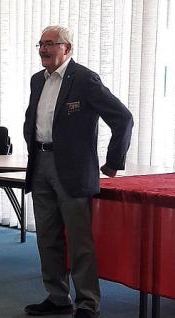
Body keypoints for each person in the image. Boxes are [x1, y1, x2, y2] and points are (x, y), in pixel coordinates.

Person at [22, 25, 133, 318]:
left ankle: (87, 302)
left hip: (72, 169)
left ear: (67, 48)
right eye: (40, 44)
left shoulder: (84, 79)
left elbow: (122, 117)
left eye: (50, 44)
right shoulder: (37, 80)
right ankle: (57, 296)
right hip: (41, 165)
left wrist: (113, 162)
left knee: (79, 238)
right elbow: (32, 119)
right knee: (46, 236)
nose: (43, 49)